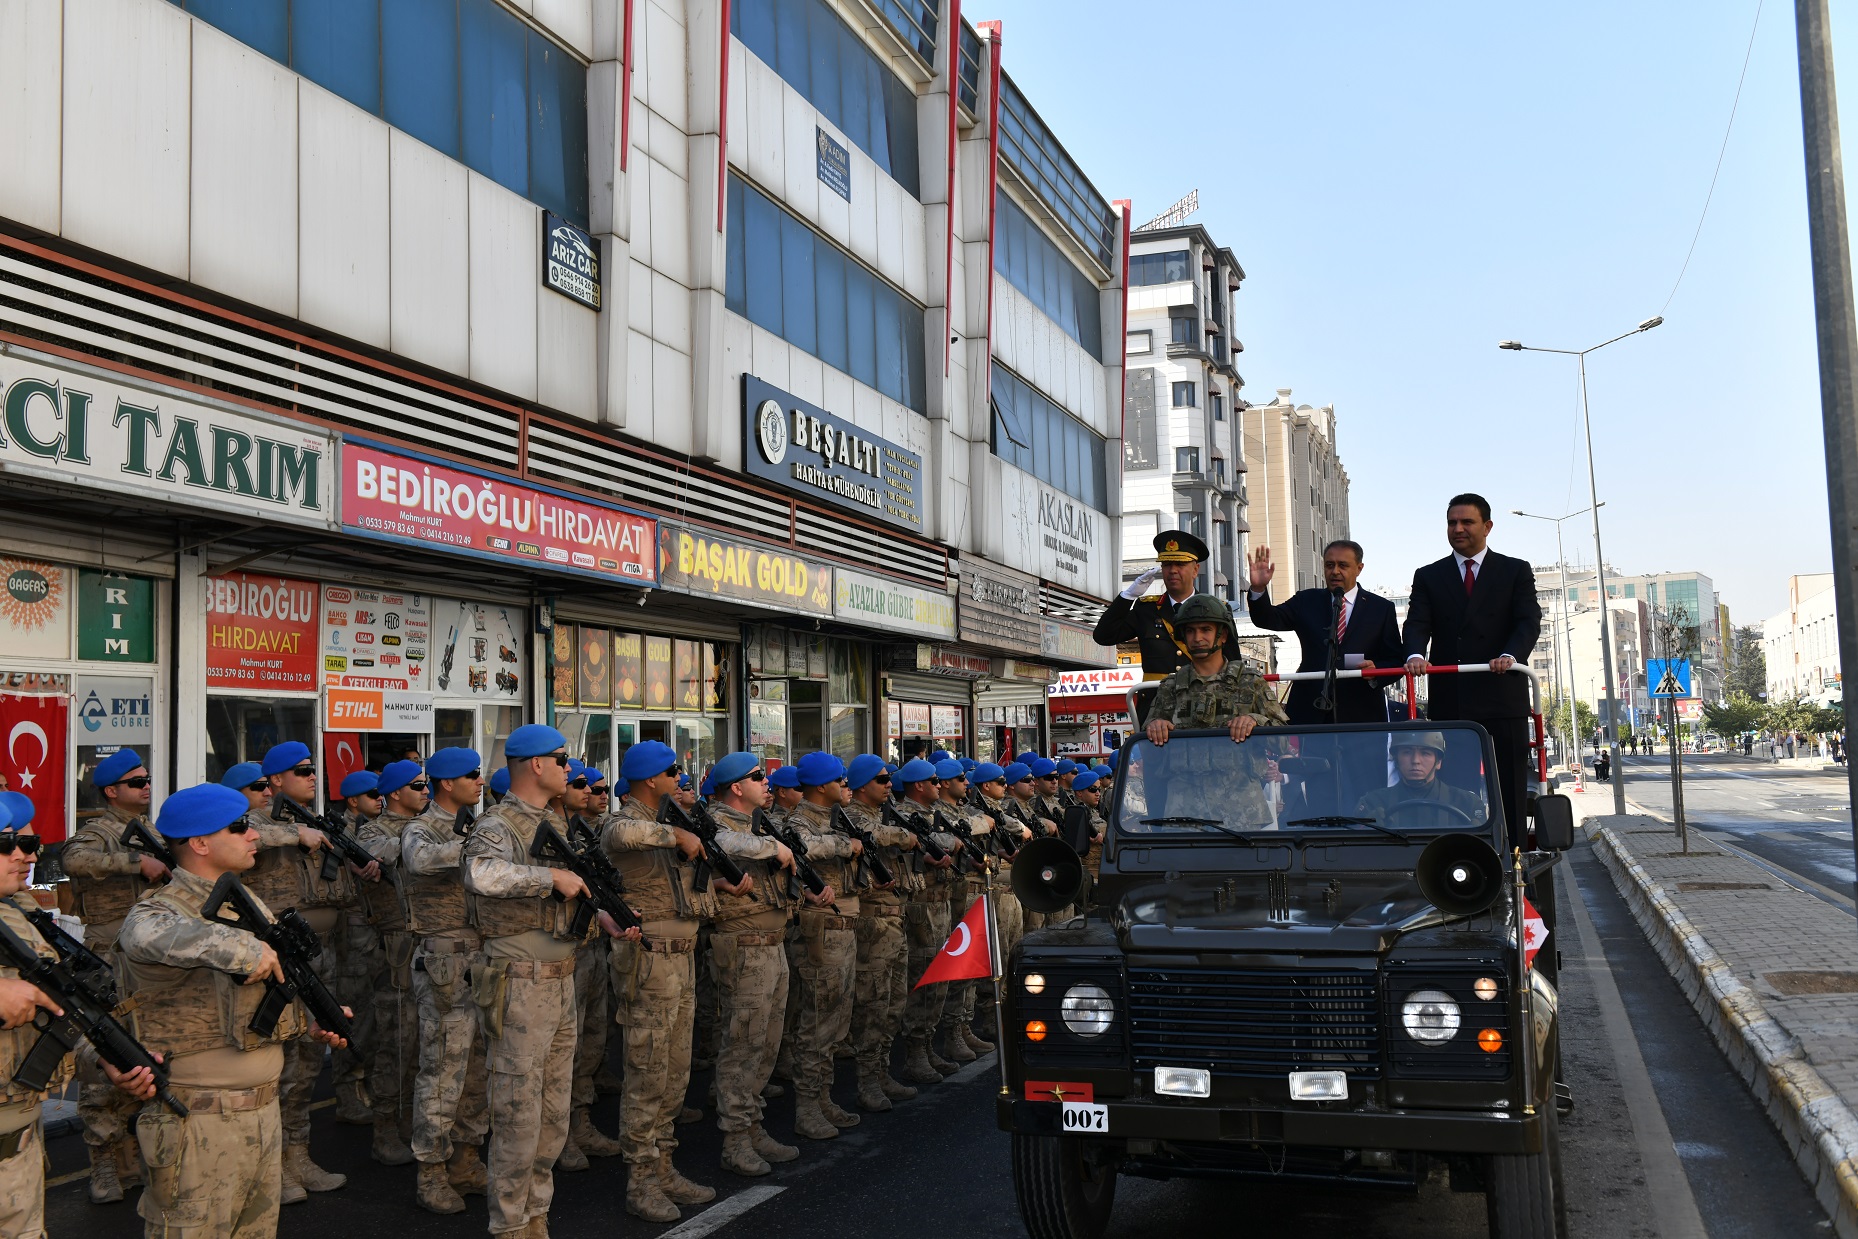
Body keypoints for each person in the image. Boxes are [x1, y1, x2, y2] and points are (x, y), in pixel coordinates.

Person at [117, 783, 348, 1239]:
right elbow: (142, 937)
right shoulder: (160, 910)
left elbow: (258, 994)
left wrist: (311, 1017)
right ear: (200, 843)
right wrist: (244, 946)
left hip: (261, 1112)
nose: (253, 834)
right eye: (239, 827)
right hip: (198, 1120)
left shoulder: (241, 901)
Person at [462, 725, 605, 1238]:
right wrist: (549, 879)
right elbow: (481, 873)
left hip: (559, 977)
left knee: (551, 1114)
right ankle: (509, 1225)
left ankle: (535, 1218)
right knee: (518, 1113)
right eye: (562, 759)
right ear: (536, 765)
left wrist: (602, 915)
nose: (570, 769)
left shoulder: (554, 822)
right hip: (519, 982)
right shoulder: (498, 823)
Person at [604, 740, 730, 1220]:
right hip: (649, 960)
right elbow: (621, 836)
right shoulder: (627, 822)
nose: (681, 778)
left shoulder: (672, 820)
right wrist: (674, 836)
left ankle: (664, 1165)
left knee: (676, 1072)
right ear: (650, 780)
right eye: (673, 771)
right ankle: (640, 1179)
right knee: (647, 1071)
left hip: (681, 958)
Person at [244, 741, 356, 1202]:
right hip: (275, 960)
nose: (313, 777)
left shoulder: (310, 823)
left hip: (318, 954)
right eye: (302, 771)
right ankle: (272, 1167)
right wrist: (294, 837)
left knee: (309, 1062)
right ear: (274, 781)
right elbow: (251, 839)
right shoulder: (254, 822)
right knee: (278, 1065)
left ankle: (298, 1155)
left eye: (313, 770)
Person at [1401, 494, 1543, 850]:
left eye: (1467, 522)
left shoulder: (1515, 571)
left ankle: (1515, 866)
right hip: (1453, 701)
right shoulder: (1430, 576)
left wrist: (1510, 655)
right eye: (1452, 523)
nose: (1458, 529)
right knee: (1456, 793)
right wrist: (1417, 654)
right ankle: (1462, 864)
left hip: (1502, 696)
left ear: (1488, 527)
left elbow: (1528, 622)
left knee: (1509, 787)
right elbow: (1417, 622)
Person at [58, 747, 162, 1203]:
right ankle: (103, 1164)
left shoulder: (152, 830)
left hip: (144, 958)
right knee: (105, 1057)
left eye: (146, 779)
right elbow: (74, 861)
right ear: (111, 791)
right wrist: (136, 863)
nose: (145, 786)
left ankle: (131, 1159)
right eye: (136, 782)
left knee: (143, 1053)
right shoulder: (97, 832)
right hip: (106, 957)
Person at [701, 752, 807, 1176]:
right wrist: (772, 847)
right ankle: (735, 1139)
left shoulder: (757, 824)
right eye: (757, 777)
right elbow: (721, 844)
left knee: (765, 1045)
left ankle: (753, 1125)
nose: (767, 782)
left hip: (772, 944)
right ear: (734, 788)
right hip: (742, 947)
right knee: (742, 1045)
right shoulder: (715, 822)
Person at [398, 750, 493, 1215]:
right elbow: (420, 861)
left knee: (478, 1067)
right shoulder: (421, 828)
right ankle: (431, 1170)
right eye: (470, 776)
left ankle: (467, 1159)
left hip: (485, 957)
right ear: (444, 784)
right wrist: (478, 847)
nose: (479, 781)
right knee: (441, 1070)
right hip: (444, 963)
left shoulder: (479, 823)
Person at [780, 752, 864, 1141]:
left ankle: (823, 1096)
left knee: (835, 1020)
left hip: (842, 928)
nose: (846, 788)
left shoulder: (834, 820)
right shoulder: (798, 820)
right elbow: (804, 850)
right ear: (820, 787)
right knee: (816, 1019)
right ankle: (807, 1106)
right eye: (840, 782)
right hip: (820, 932)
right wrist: (844, 846)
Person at [1246, 541, 1404, 724]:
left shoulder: (1381, 608)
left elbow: (1395, 659)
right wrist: (1258, 589)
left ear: (1359, 568)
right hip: (1310, 710)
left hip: (1361, 712)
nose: (1335, 571)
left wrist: (1377, 670)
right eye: (1329, 565)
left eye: (1343, 565)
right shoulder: (1307, 600)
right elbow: (1267, 619)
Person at [350, 763, 420, 1167]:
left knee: (422, 1046)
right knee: (396, 1042)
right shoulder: (376, 830)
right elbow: (379, 852)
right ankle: (386, 1129)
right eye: (417, 786)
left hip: (423, 945)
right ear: (395, 793)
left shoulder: (424, 824)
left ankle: (409, 1120)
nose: (425, 791)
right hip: (394, 949)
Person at [842, 753, 921, 1113]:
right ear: (861, 786)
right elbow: (878, 837)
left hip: (895, 918)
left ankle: (882, 1071)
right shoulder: (853, 817)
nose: (890, 784)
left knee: (894, 1002)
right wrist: (904, 836)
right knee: (872, 1005)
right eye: (882, 779)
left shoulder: (879, 814)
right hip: (873, 922)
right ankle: (867, 1081)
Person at [1093, 530, 1244, 679]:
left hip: (1201, 698)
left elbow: (1233, 660)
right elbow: (1104, 636)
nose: (1172, 570)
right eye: (1167, 564)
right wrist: (1128, 596)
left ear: (1195, 570)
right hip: (1156, 700)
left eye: (1180, 564)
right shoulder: (1147, 609)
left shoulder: (1217, 610)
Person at [893, 759, 960, 1085]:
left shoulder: (934, 816)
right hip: (920, 910)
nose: (939, 785)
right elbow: (943, 842)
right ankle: (915, 1052)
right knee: (922, 980)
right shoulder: (905, 814)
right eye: (934, 780)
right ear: (918, 785)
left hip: (942, 904)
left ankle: (928, 1045)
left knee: (940, 979)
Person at [329, 769, 389, 1135]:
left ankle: (362, 1083)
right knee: (354, 1015)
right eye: (371, 795)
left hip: (370, 930)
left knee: (371, 1016)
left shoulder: (371, 832)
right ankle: (347, 1092)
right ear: (353, 800)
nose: (379, 800)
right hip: (351, 936)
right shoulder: (338, 834)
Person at [936, 758, 995, 1065]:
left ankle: (964, 1025)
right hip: (954, 897)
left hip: (968, 895)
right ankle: (952, 1032)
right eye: (960, 778)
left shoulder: (962, 811)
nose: (967, 783)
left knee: (971, 968)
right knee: (957, 970)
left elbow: (988, 822)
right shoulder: (939, 814)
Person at [1356, 733, 1487, 825]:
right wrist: (1368, 827)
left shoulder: (1467, 804)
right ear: (1396, 759)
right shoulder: (1372, 803)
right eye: (1407, 752)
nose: (1415, 761)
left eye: (1425, 753)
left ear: (1439, 762)